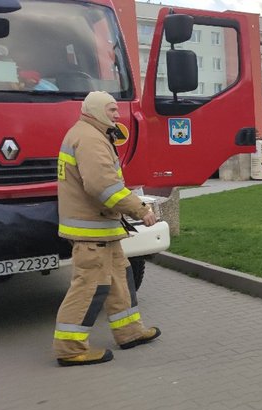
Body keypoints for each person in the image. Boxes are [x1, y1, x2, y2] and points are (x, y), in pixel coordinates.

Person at [53, 91, 161, 366]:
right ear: (97, 111)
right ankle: (70, 349)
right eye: (112, 110)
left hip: (101, 230)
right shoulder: (89, 139)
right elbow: (103, 187)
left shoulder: (90, 134)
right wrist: (140, 209)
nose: (117, 115)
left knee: (120, 281)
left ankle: (130, 332)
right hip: (91, 232)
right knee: (89, 287)